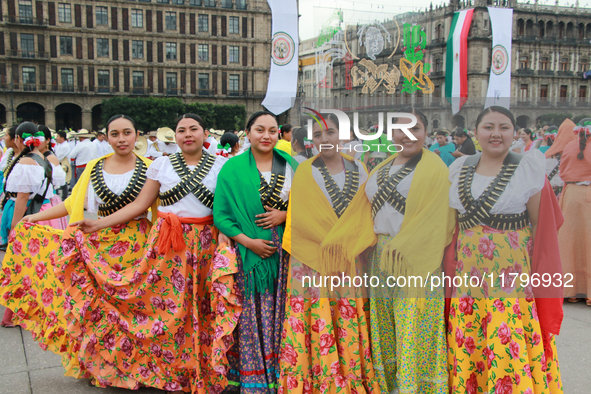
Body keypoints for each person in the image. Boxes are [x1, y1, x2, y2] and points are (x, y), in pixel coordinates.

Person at [69, 113, 239, 393]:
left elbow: (227, 208)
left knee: (203, 307)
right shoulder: (161, 165)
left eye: (193, 129)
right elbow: (139, 205)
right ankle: (165, 368)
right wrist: (98, 223)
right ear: (175, 135)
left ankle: (201, 368)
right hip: (168, 246)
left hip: (207, 245)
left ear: (205, 133)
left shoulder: (223, 166)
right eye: (181, 130)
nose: (187, 134)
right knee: (166, 309)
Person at [0, 115, 157, 377]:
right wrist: (35, 217)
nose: (121, 139)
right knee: (99, 309)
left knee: (133, 308)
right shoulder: (95, 167)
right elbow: (72, 203)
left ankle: (136, 367)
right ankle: (105, 367)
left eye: (127, 133)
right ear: (106, 137)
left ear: (136, 135)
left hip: (138, 245)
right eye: (115, 134)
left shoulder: (151, 167)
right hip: (99, 246)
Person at [446, 106, 563, 393]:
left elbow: (541, 226)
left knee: (506, 342)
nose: (495, 134)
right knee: (470, 338)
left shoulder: (528, 167)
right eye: (488, 127)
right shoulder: (458, 168)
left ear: (514, 133)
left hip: (511, 275)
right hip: (467, 273)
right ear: (476, 132)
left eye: (504, 127)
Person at [279, 113, 379, 393]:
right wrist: (329, 243)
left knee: (344, 316)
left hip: (348, 257)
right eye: (318, 135)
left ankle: (347, 378)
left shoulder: (359, 169)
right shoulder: (303, 172)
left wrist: (347, 244)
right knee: (315, 318)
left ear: (344, 136)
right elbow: (300, 218)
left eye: (331, 133)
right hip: (311, 259)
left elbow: (364, 215)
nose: (325, 140)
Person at [214, 111, 297, 393]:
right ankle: (255, 377)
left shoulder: (292, 166)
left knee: (283, 313)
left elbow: (310, 204)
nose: (266, 136)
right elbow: (222, 216)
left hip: (286, 253)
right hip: (250, 255)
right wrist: (249, 242)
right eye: (259, 129)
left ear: (279, 134)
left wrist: (285, 215)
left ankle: (282, 374)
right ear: (247, 133)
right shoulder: (233, 169)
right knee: (253, 314)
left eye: (272, 130)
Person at [0, 122, 66, 326]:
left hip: (29, 213)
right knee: (38, 265)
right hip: (45, 211)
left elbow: (21, 197)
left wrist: (15, 226)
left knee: (22, 265)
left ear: (19, 139)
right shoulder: (44, 159)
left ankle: (21, 313)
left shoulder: (26, 162)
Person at [558, 118, 591, 305]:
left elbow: (562, 172)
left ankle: (570, 290)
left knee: (569, 243)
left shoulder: (570, 146)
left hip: (571, 195)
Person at [54, 130, 71, 199]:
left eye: (58, 136)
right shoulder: (59, 145)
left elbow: (59, 157)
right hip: (58, 164)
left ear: (62, 137)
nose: (56, 138)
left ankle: (64, 197)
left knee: (64, 182)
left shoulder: (65, 146)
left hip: (63, 165)